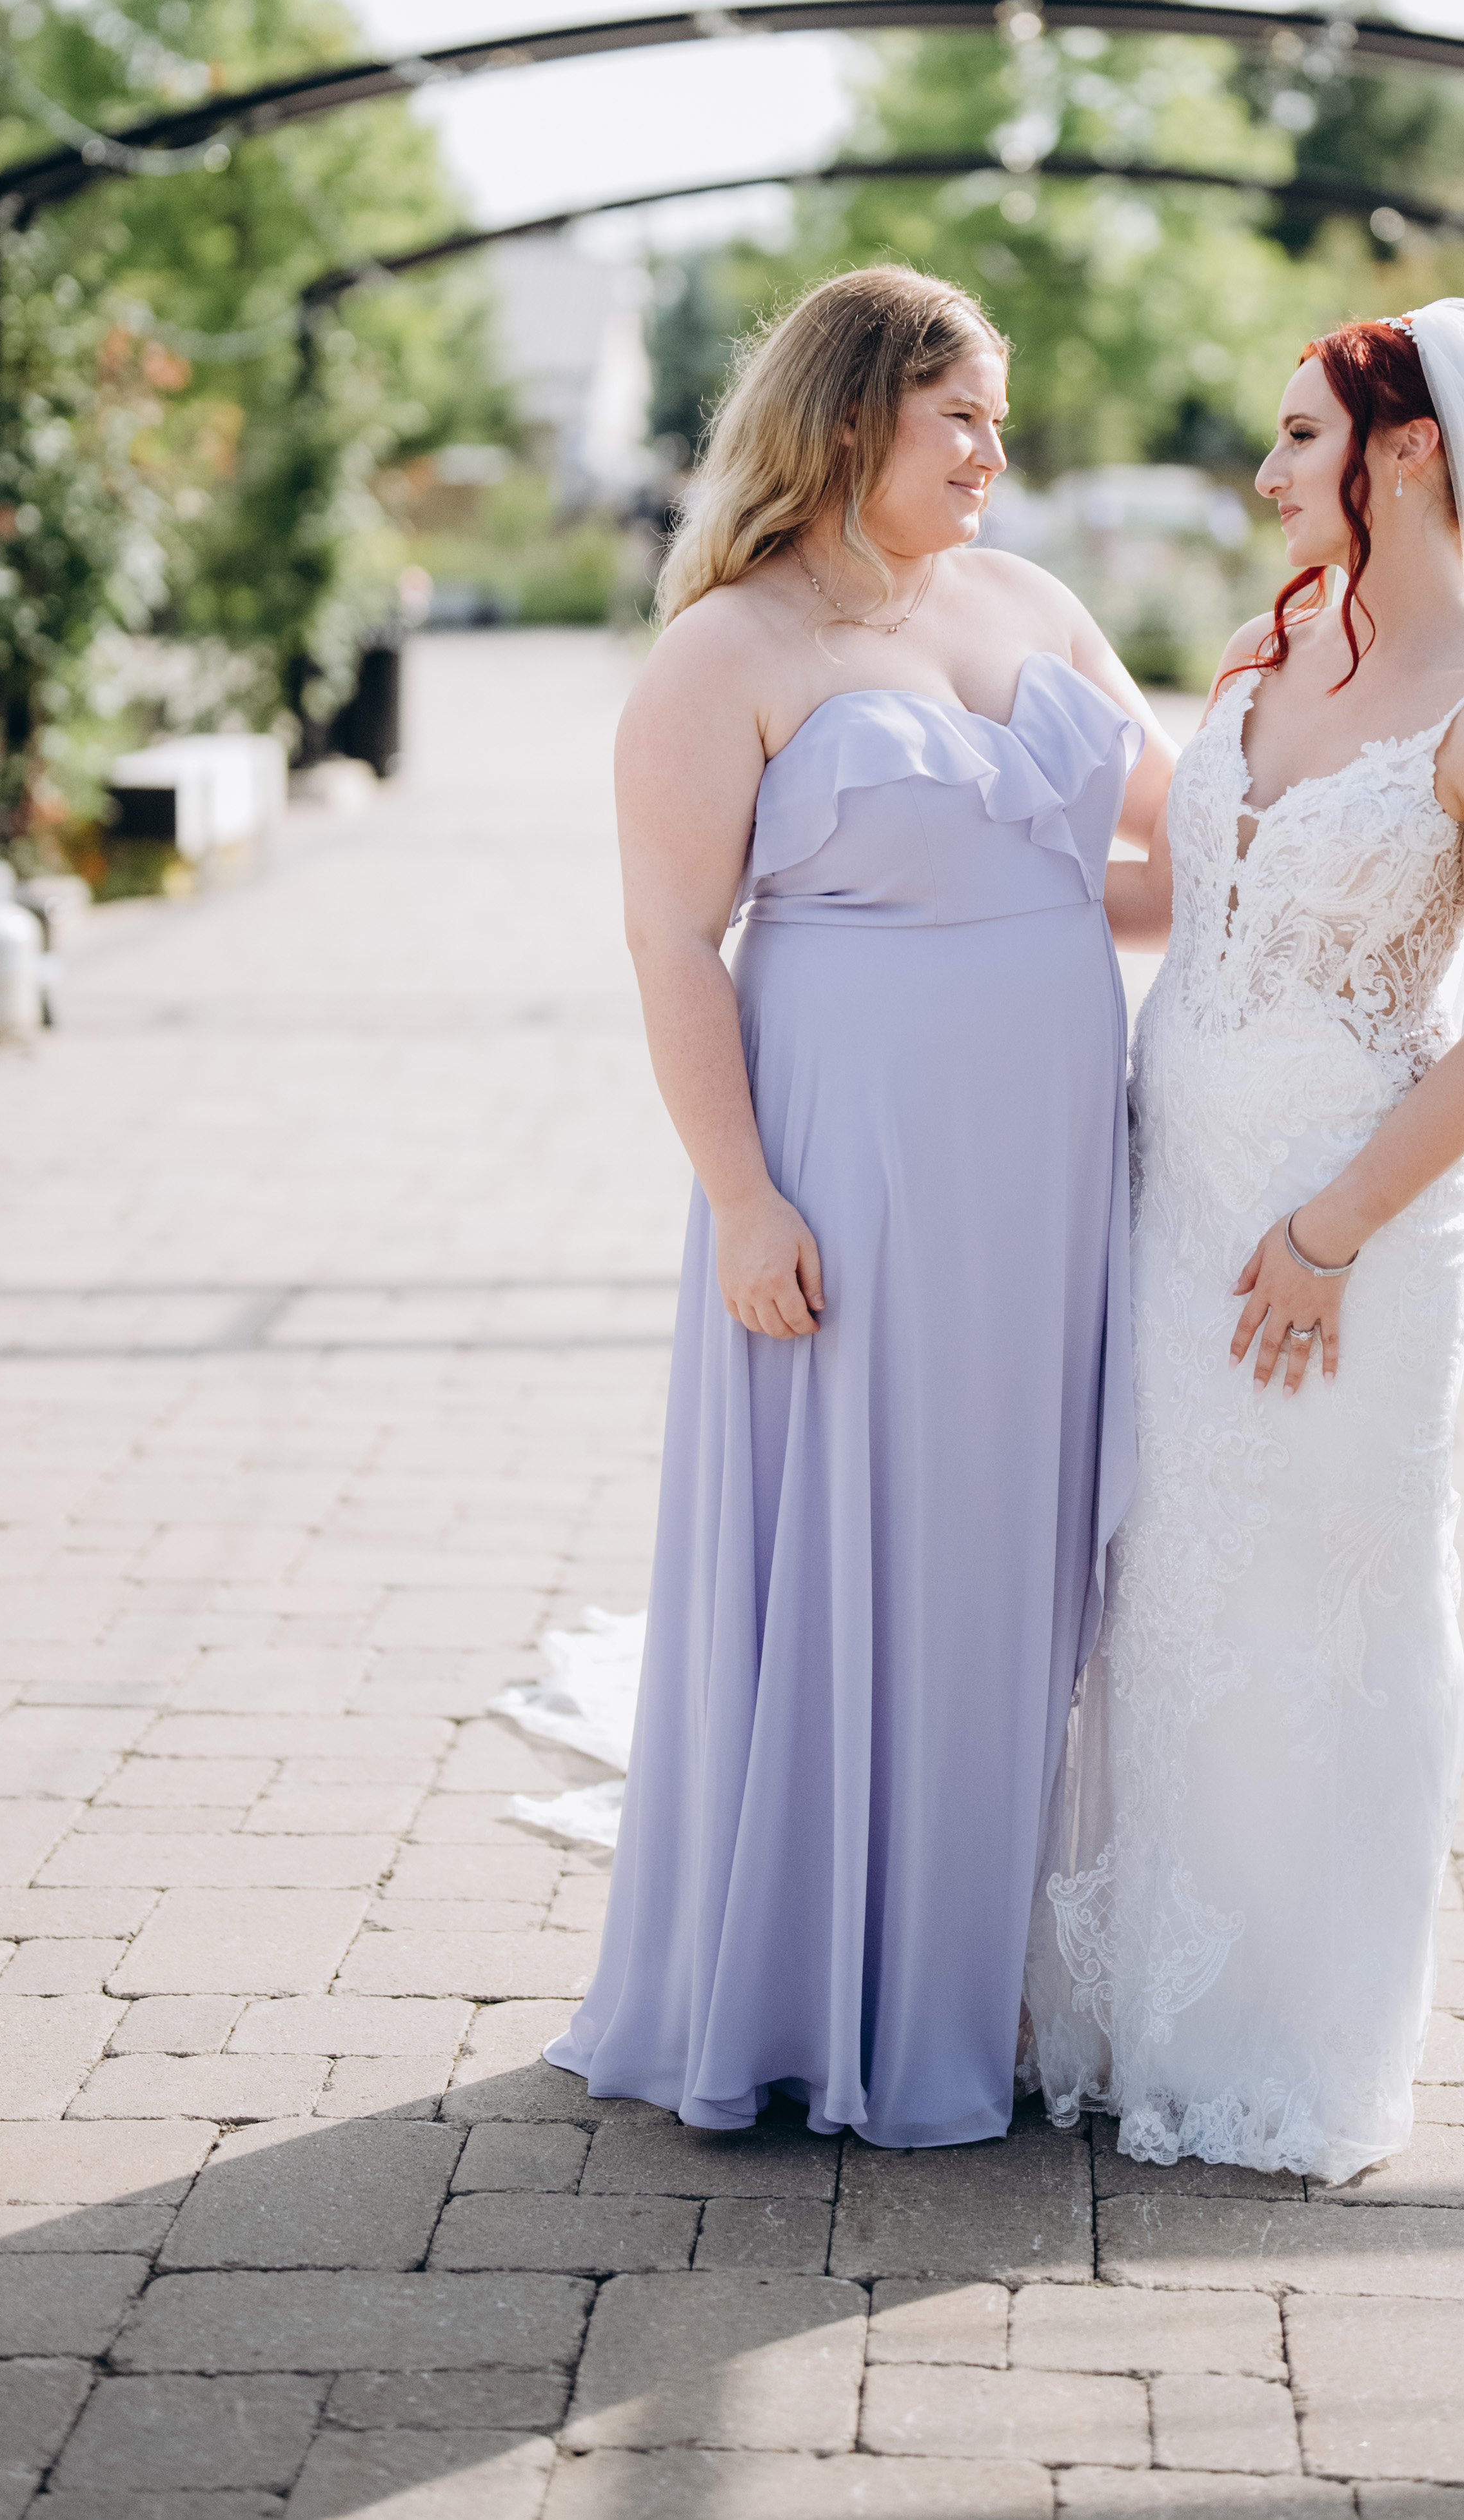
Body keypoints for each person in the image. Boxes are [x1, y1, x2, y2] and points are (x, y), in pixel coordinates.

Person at [549, 265, 1172, 2150]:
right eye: (959, 416)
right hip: (854, 1172)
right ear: (846, 417)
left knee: (1015, 1549)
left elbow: (1172, 851)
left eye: (1000, 420)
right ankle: (825, 1990)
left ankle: (984, 1969)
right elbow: (673, 941)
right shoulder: (726, 651)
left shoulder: (1033, 605)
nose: (993, 454)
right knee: (866, 1543)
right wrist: (742, 1198)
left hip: (1048, 1180)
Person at [1025, 299, 1464, 2182]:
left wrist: (1330, 1232)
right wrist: (934, 881)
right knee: (1167, 1585)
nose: (1267, 473)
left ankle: (1281, 2040)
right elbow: (1189, 897)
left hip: (1350, 1233)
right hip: (1172, 1199)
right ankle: (1135, 2001)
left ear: (1406, 451)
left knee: (1313, 1609)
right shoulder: (1265, 658)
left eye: (1298, 436)